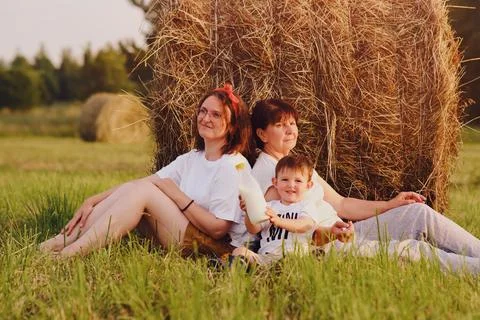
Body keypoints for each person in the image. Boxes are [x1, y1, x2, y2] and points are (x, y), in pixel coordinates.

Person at [250, 99, 480, 262]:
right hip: (329, 241)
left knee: (418, 212)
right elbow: (279, 231)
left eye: (292, 123)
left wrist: (392, 204)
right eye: (280, 125)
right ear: (262, 134)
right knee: (413, 250)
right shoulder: (267, 175)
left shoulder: (294, 166)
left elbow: (341, 204)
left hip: (346, 230)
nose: (290, 130)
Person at [39, 83, 252, 258]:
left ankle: (70, 253)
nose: (205, 118)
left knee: (144, 191)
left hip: (215, 248)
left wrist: (177, 196)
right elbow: (141, 184)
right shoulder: (191, 159)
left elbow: (217, 229)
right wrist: (93, 200)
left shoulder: (231, 165)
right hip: (184, 234)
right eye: (203, 111)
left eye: (216, 115)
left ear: (233, 126)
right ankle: (62, 241)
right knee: (139, 187)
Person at [234, 155, 327, 264]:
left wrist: (279, 221)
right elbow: (253, 229)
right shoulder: (268, 207)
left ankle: (307, 261)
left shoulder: (306, 205)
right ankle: (237, 265)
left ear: (308, 185)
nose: (291, 185)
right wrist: (249, 212)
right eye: (285, 180)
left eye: (298, 181)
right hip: (268, 257)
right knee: (239, 251)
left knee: (300, 256)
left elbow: (305, 225)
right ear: (275, 182)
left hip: (295, 254)